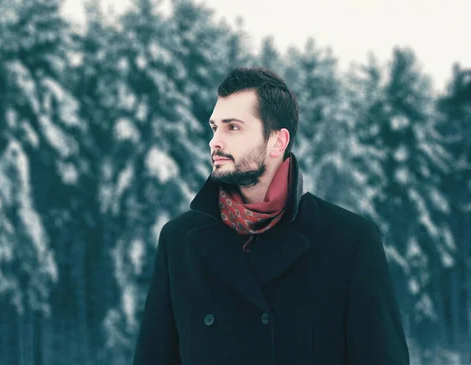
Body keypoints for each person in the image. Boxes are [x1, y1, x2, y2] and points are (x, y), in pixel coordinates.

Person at [132, 67, 409, 365]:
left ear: (277, 141)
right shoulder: (179, 241)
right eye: (214, 128)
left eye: (233, 127)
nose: (215, 142)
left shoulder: (349, 241)